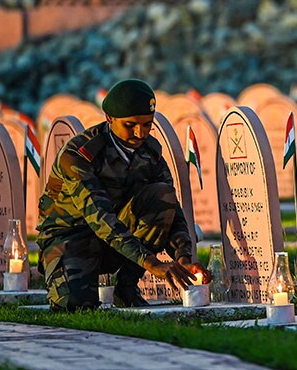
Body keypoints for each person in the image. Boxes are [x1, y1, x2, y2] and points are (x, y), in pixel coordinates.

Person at [37, 79, 208, 311]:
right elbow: (100, 218)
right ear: (109, 118)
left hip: (118, 237)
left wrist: (184, 258)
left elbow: (172, 210)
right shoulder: (79, 155)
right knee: (75, 305)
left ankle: (126, 287)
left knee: (160, 195)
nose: (140, 133)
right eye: (130, 125)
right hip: (72, 237)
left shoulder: (150, 153)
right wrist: (152, 263)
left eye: (147, 124)